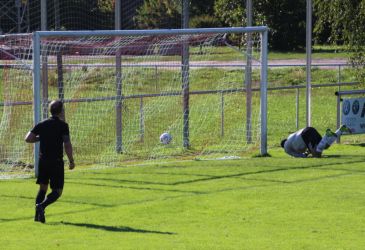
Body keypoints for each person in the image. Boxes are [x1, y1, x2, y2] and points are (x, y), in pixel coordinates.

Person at [25, 100, 75, 223]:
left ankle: (37, 217)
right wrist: (71, 161)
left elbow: (28, 138)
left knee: (43, 188)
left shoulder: (42, 124)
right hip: (56, 162)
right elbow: (67, 144)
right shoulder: (63, 126)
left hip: (43, 161)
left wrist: (40, 138)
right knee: (57, 191)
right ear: (61, 111)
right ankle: (42, 206)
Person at [280, 125, 352, 158]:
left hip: (305, 135)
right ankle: (340, 130)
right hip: (309, 129)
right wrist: (308, 152)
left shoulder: (286, 148)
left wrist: (305, 155)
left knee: (316, 155)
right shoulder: (290, 137)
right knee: (325, 146)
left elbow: (298, 155)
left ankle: (327, 135)